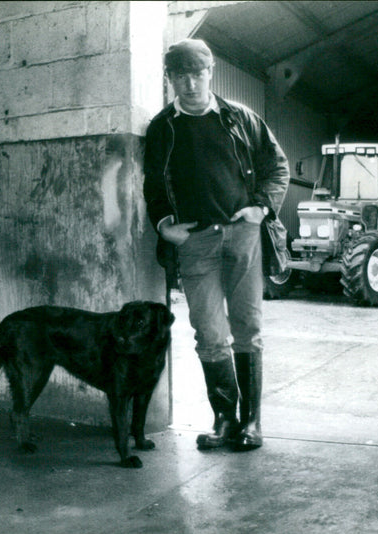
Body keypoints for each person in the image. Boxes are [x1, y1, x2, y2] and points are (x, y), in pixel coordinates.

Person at [143, 38, 289, 451]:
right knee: (208, 331)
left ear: (210, 74)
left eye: (197, 74)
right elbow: (153, 185)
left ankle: (252, 422)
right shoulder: (162, 127)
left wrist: (261, 207)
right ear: (170, 79)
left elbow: (277, 166)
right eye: (180, 76)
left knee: (247, 326)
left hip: (242, 235)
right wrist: (164, 225)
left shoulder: (240, 118)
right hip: (196, 242)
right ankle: (224, 418)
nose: (190, 84)